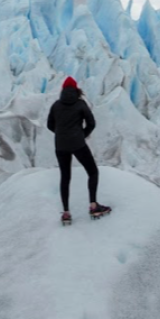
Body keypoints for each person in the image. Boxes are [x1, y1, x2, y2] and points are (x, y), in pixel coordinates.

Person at [47, 76, 111, 225]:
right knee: (93, 171)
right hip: (78, 144)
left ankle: (66, 213)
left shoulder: (56, 105)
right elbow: (92, 123)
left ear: (63, 90)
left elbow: (50, 124)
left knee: (65, 176)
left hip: (60, 146)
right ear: (76, 90)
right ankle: (94, 205)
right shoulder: (80, 104)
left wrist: (61, 134)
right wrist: (81, 134)